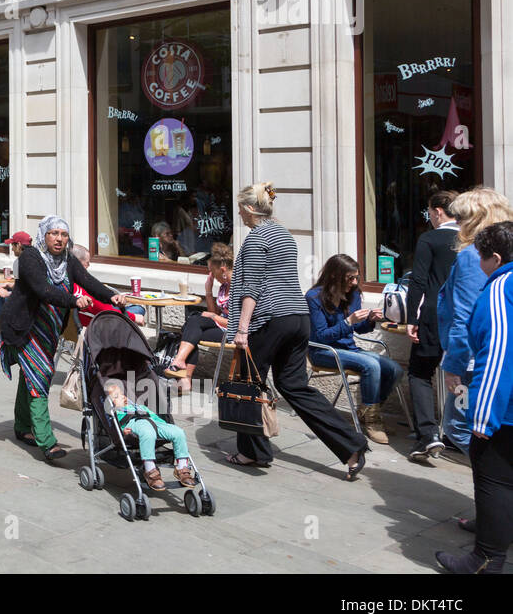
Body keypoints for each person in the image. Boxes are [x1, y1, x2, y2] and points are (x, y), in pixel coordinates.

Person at [224, 182, 369, 479]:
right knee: (295, 386)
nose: (238, 213)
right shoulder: (283, 235)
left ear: (250, 208)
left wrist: (241, 330)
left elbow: (251, 289)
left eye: (240, 207)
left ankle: (252, 453)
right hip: (298, 317)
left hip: (270, 318)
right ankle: (351, 445)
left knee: (245, 382)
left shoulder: (255, 240)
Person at [0, 215, 124, 462]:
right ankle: (47, 442)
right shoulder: (30, 257)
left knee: (31, 375)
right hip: (26, 328)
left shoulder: (68, 260)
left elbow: (89, 282)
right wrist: (73, 300)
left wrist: (112, 297)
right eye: (54, 234)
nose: (59, 239)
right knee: (40, 375)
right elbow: (42, 289)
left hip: (50, 330)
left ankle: (23, 426)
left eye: (63, 235)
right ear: (44, 235)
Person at [436, 221, 513, 575]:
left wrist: (482, 416)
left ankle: (485, 559)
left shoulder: (500, 289)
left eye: (481, 258)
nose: (477, 266)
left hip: (505, 411)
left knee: (493, 476)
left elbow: (497, 355)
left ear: (495, 258)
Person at [440, 187, 513, 457]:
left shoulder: (473, 257)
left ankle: (493, 482)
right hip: (495, 356)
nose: (456, 224)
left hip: (474, 361)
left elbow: (464, 316)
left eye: (460, 218)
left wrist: (453, 366)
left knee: (458, 425)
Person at [305, 254, 400, 444]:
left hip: (349, 349)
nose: (354, 282)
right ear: (334, 276)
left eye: (357, 277)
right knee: (371, 365)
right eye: (350, 278)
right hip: (323, 351)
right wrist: (349, 321)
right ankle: (372, 422)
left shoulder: (353, 294)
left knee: (394, 369)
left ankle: (367, 411)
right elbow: (321, 336)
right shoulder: (314, 297)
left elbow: (357, 329)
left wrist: (370, 320)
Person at [406, 190, 460, 461]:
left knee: (419, 373)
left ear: (438, 211)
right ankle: (456, 432)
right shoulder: (471, 239)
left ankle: (428, 435)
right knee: (462, 374)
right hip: (463, 317)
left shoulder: (429, 238)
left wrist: (411, 319)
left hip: (433, 314)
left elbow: (418, 281)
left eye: (430, 212)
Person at [106, 379, 196, 490]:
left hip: (154, 423)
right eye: (116, 397)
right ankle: (150, 469)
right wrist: (122, 431)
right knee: (148, 433)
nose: (123, 397)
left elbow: (155, 417)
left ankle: (182, 468)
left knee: (178, 432)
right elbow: (115, 425)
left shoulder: (139, 406)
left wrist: (165, 426)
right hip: (135, 423)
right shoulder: (117, 411)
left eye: (122, 394)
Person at [164, 243, 233, 381]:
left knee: (190, 330)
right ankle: (181, 367)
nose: (211, 276)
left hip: (232, 331)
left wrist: (213, 316)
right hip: (220, 326)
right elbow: (214, 313)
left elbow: (236, 322)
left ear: (223, 270)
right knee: (193, 325)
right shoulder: (223, 287)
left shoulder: (239, 289)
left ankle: (183, 374)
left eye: (213, 273)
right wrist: (208, 290)